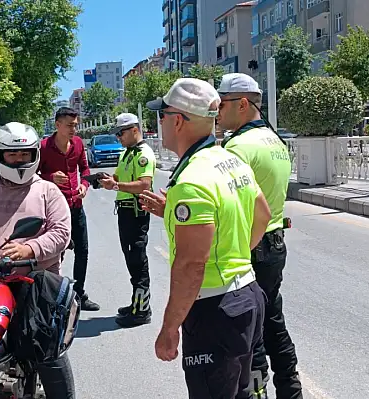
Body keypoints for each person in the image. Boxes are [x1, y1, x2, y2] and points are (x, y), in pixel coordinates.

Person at [140, 78, 272, 399]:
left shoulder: (191, 180)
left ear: (178, 120)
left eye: (162, 116)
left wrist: (169, 329)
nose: (159, 123)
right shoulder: (230, 161)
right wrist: (234, 257)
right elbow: (263, 215)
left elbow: (190, 266)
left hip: (215, 310)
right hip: (247, 295)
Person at [0, 122, 75, 399]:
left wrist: (29, 249)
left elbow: (61, 233)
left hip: (34, 284)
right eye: (12, 155)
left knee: (47, 349)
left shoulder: (48, 192)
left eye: (24, 154)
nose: (19, 160)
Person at [217, 73, 302, 399]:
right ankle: (291, 392)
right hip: (275, 243)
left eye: (222, 105)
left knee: (249, 334)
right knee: (273, 323)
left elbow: (229, 207)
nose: (218, 114)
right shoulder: (276, 142)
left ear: (242, 104)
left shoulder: (237, 147)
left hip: (248, 247)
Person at [97, 112, 156, 328]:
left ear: (134, 130)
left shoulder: (144, 155)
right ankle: (136, 303)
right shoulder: (126, 153)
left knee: (138, 260)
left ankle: (141, 310)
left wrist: (116, 186)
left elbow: (144, 185)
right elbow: (119, 177)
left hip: (136, 213)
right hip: (124, 212)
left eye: (121, 133)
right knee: (131, 260)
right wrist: (108, 180)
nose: (118, 137)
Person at [38, 107, 100, 311]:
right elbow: (33, 175)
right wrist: (50, 178)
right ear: (57, 125)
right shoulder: (44, 147)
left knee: (83, 251)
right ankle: (53, 297)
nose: (74, 129)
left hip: (76, 206)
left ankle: (79, 294)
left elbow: (85, 169)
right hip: (54, 210)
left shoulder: (79, 144)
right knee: (56, 255)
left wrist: (84, 185)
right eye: (69, 125)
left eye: (75, 125)